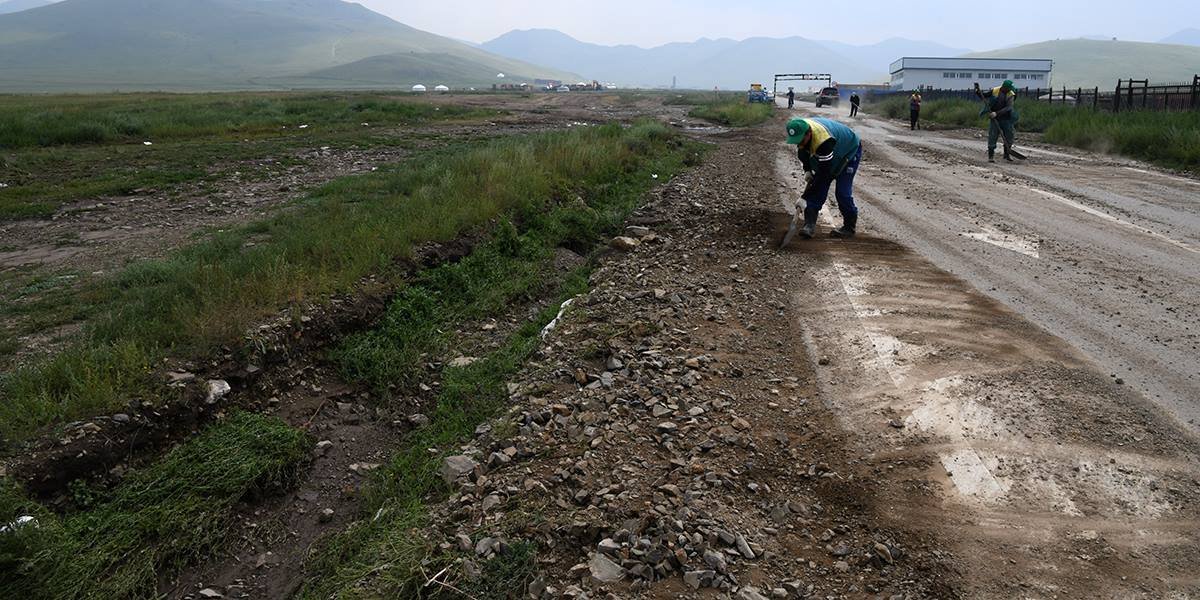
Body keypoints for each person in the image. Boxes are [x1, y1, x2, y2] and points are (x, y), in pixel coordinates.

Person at [785, 117, 863, 238]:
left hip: (849, 151)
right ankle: (809, 225)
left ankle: (849, 227)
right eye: (796, 141)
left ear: (808, 133)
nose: (799, 144)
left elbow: (824, 174)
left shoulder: (824, 141)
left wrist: (805, 197)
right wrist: (807, 170)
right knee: (818, 188)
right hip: (831, 153)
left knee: (842, 192)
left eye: (801, 140)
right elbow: (804, 156)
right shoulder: (801, 131)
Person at [975, 80, 1018, 162]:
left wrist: (996, 113)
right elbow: (984, 96)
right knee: (993, 136)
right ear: (1004, 87)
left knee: (1009, 136)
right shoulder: (995, 90)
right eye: (1008, 88)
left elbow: (1009, 107)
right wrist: (977, 92)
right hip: (995, 119)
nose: (1010, 90)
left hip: (1006, 118)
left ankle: (1007, 154)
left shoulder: (1011, 94)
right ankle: (991, 156)